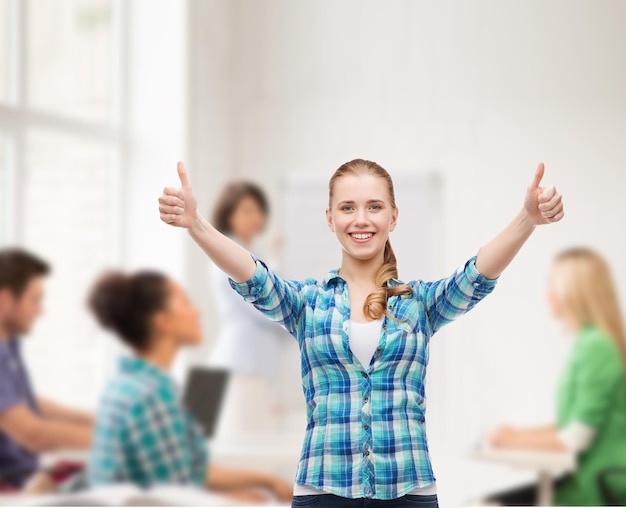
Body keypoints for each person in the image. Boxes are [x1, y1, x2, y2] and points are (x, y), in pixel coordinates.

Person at [158, 158, 564, 507]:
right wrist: (196, 225)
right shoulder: (307, 302)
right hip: (322, 490)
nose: (361, 219)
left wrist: (526, 218)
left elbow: (475, 276)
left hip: (409, 490)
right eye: (347, 207)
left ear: (393, 216)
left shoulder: (419, 303)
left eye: (374, 206)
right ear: (330, 218)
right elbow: (254, 278)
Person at [87, 270, 293, 503]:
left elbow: (188, 471)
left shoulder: (131, 384)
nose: (197, 311)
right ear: (162, 321)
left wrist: (264, 480)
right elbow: (174, 494)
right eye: (184, 302)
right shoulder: (152, 395)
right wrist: (237, 499)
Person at [487, 248, 626, 506]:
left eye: (553, 284)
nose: (547, 294)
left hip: (600, 485)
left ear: (573, 292)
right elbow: (572, 423)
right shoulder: (588, 343)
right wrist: (517, 433)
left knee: (490, 504)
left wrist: (512, 440)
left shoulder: (596, 347)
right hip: (586, 479)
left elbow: (574, 438)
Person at [0, 248, 93, 491]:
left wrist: (96, 419)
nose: (40, 310)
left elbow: (24, 403)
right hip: (12, 486)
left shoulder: (9, 345)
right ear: (6, 300)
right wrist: (117, 439)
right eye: (35, 300)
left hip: (27, 476)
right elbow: (33, 435)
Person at [208, 182, 289, 437]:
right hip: (241, 368)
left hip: (244, 366)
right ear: (229, 215)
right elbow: (267, 305)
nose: (256, 217)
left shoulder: (243, 253)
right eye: (246, 210)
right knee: (246, 453)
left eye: (258, 210)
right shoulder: (231, 253)